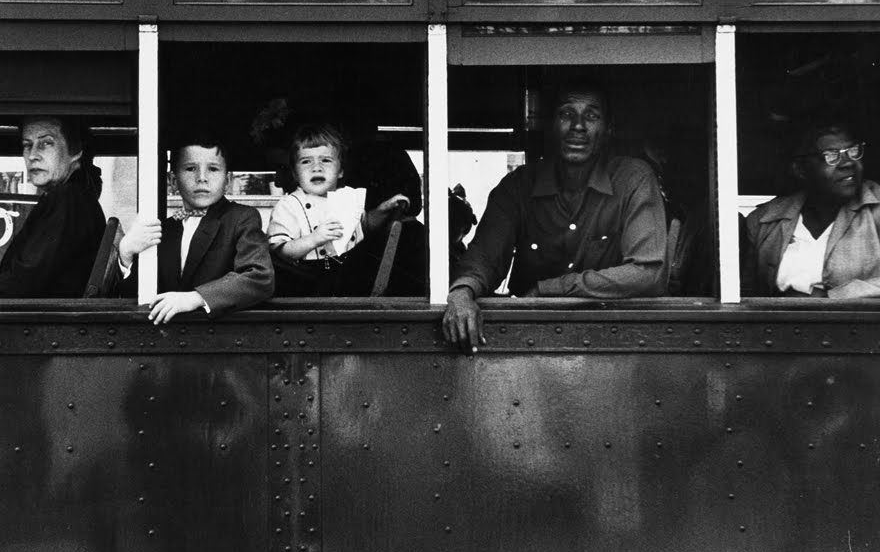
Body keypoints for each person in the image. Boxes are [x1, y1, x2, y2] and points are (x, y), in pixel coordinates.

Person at [443, 80, 667, 351]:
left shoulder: (633, 180)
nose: (578, 126)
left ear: (608, 130)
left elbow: (648, 273)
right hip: (529, 342)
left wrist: (549, 289)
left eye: (592, 116)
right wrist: (462, 293)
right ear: (551, 125)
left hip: (613, 341)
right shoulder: (517, 187)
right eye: (566, 114)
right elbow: (484, 257)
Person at [117, 136, 274, 323]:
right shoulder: (163, 229)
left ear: (228, 180)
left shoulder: (242, 218)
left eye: (213, 169)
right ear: (173, 181)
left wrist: (195, 298)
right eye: (191, 169)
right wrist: (126, 254)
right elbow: (134, 297)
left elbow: (259, 277)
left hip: (221, 338)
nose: (202, 178)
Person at [0, 116, 106, 297]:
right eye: (27, 145)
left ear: (75, 150)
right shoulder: (75, 195)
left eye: (46, 143)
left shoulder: (67, 198)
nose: (32, 156)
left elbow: (28, 278)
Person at [742, 119, 880, 298]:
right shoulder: (764, 221)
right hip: (781, 326)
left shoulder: (875, 209)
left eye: (853, 151)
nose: (848, 163)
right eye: (831, 155)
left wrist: (836, 297)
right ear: (800, 169)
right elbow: (744, 294)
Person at [266, 123, 410, 295]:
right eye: (306, 161)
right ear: (296, 174)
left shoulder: (347, 198)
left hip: (348, 276)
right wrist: (314, 238)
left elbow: (364, 227)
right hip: (308, 280)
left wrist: (384, 209)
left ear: (340, 170)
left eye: (325, 160)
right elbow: (281, 251)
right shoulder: (289, 205)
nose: (316, 167)